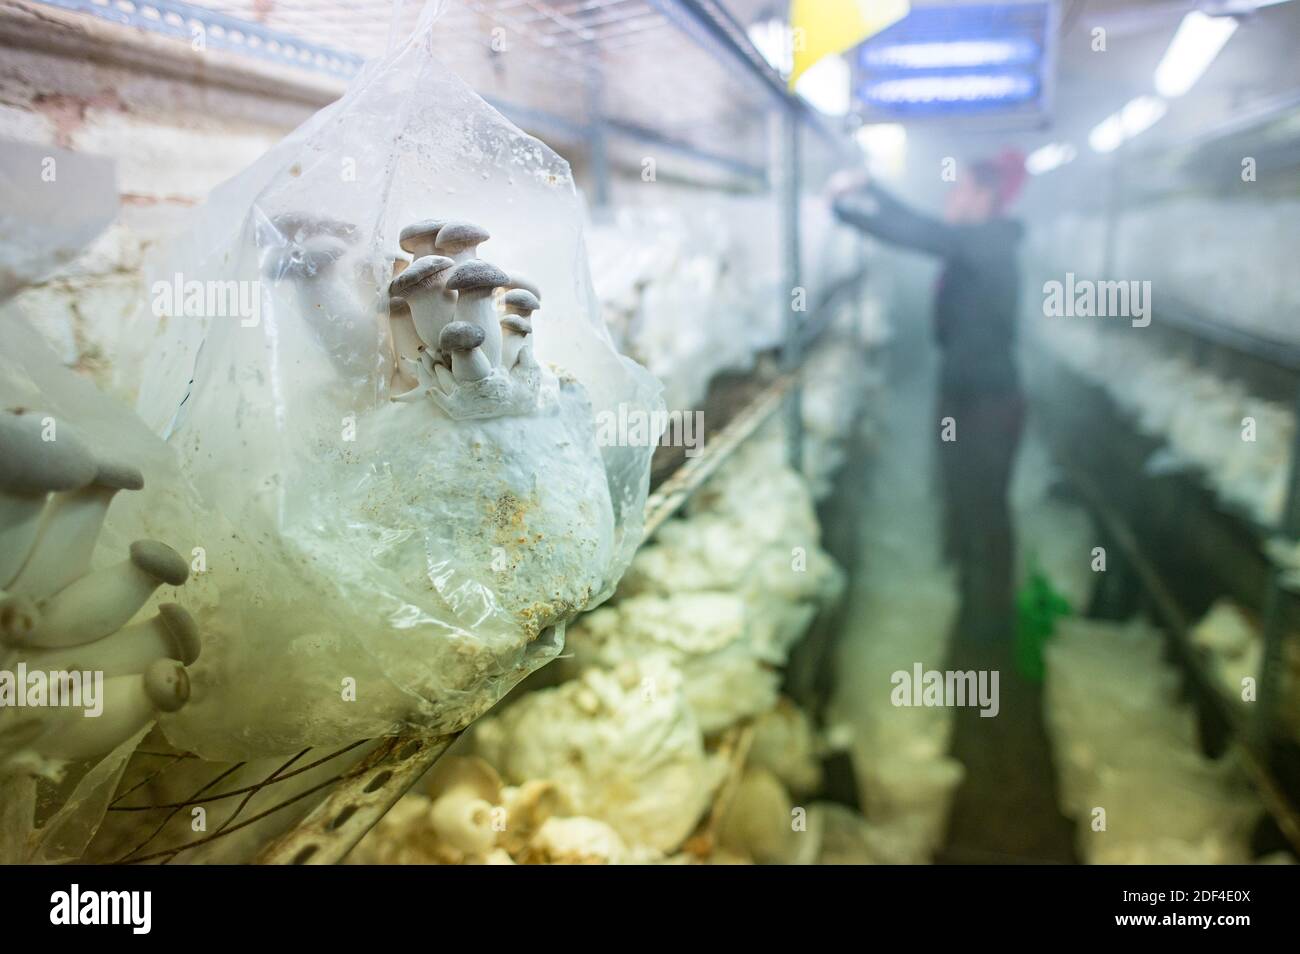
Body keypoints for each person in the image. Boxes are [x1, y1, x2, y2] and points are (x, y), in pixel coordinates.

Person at [827, 152, 1028, 642]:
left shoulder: (989, 244)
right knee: (965, 499)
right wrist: (863, 200)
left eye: (959, 190)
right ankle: (963, 602)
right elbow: (925, 230)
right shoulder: (976, 243)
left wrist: (859, 200)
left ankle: (989, 631)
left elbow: (918, 232)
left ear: (985, 197)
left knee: (985, 509)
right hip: (966, 393)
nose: (950, 198)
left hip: (989, 401)